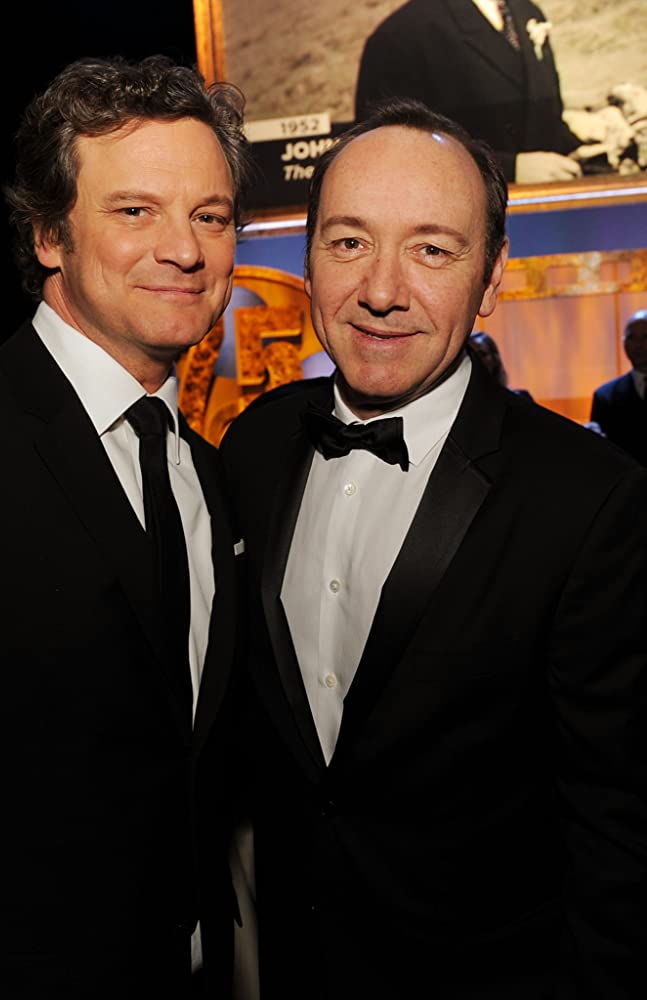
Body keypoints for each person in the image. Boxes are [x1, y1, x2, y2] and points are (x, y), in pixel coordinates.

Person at [220, 97, 647, 998]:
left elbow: (618, 822)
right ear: (307, 258)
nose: (381, 290)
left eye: (431, 250)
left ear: (489, 279)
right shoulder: (252, 447)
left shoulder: (590, 500)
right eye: (348, 242)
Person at [0, 55, 249, 998]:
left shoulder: (209, 474)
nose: (184, 250)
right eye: (135, 211)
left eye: (211, 216)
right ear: (49, 234)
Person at [354, 0, 584, 183]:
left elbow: (535, 116)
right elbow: (390, 153)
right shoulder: (401, 34)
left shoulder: (527, 12)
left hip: (551, 211)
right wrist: (510, 169)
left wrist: (581, 149)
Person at [590, 309, 647, 465]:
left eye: (645, 337)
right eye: (631, 338)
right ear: (623, 343)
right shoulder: (605, 396)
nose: (639, 345)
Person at [468, 330, 534, 399]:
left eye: (482, 354)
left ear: (495, 358)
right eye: (472, 355)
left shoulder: (520, 398)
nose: (478, 360)